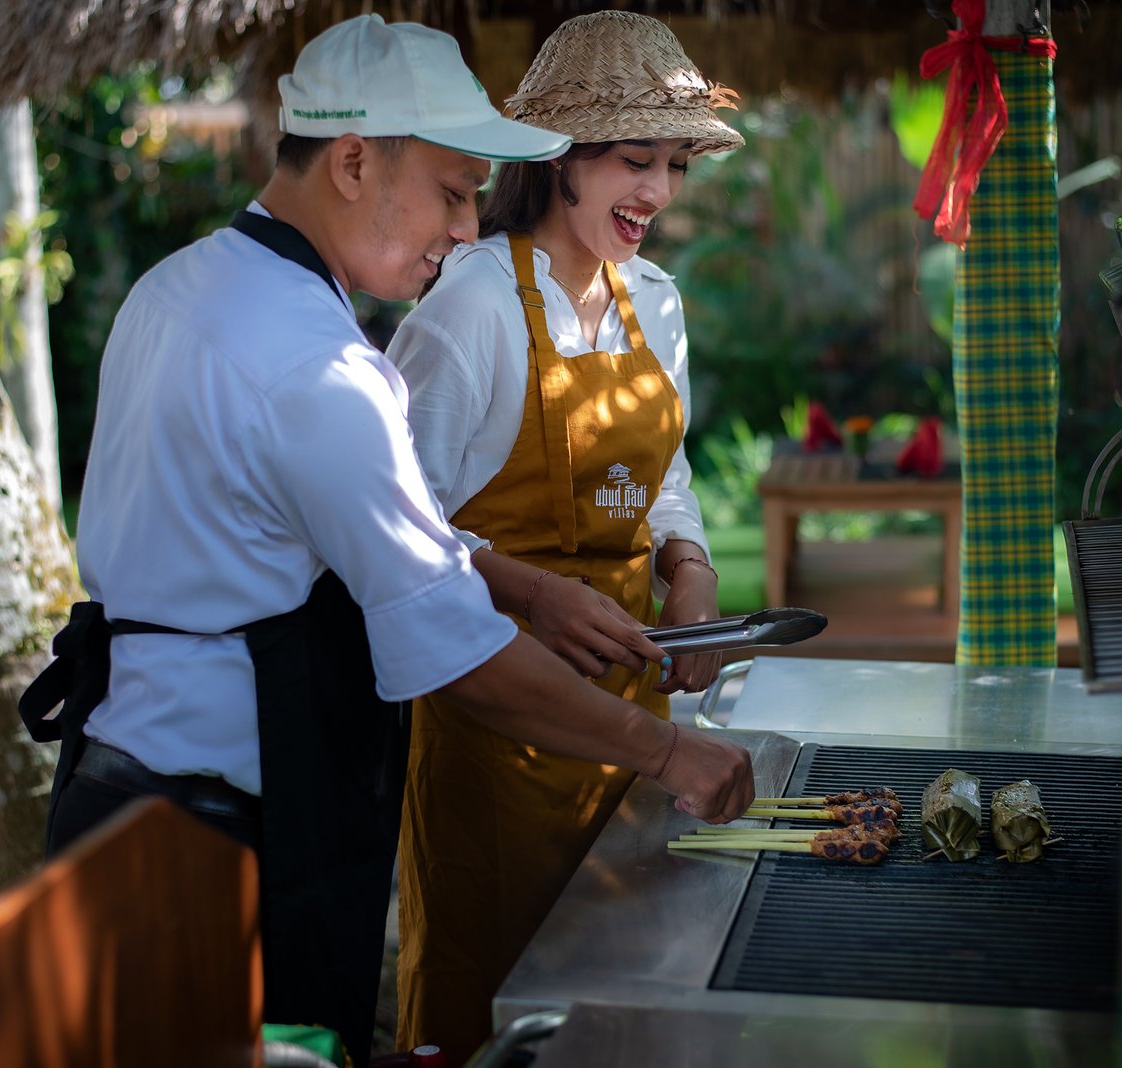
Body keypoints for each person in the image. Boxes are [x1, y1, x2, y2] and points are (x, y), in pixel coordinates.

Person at [16, 15, 756, 1068]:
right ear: (357, 161)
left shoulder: (175, 289)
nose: (464, 229)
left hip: (110, 792)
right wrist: (671, 750)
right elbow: (452, 648)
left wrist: (551, 592)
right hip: (237, 834)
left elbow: (285, 537)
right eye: (454, 192)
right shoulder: (323, 366)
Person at [384, 10, 746, 1058]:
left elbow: (664, 473)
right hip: (494, 739)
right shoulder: (471, 311)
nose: (659, 194)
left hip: (632, 724)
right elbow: (400, 534)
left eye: (674, 164)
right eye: (636, 162)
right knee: (488, 1006)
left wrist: (691, 570)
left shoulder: (657, 304)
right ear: (559, 160)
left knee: (621, 996)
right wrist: (531, 592)